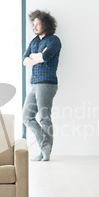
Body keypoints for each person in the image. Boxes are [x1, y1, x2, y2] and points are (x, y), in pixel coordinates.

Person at [22, 10, 62, 161]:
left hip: (47, 83)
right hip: (34, 83)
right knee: (27, 116)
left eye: (37, 23)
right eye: (33, 24)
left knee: (44, 117)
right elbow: (25, 60)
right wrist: (36, 57)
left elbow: (44, 56)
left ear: (45, 24)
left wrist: (37, 57)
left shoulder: (54, 40)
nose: (35, 26)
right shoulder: (34, 42)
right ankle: (44, 145)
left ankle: (45, 151)